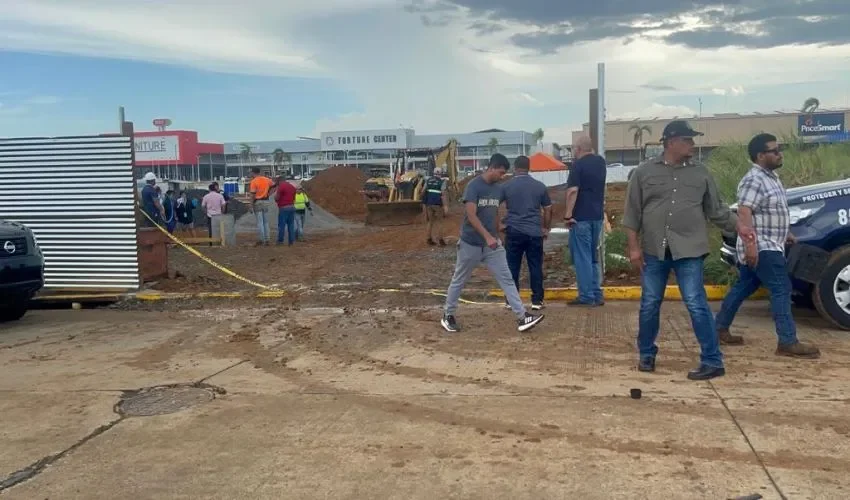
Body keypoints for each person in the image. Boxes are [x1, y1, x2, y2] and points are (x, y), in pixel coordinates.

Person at [623, 120, 755, 381]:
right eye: (687, 140)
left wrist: (739, 226)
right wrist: (634, 248)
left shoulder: (701, 174)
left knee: (696, 303)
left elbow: (716, 210)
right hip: (653, 250)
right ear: (671, 142)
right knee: (649, 304)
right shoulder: (643, 173)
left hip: (689, 251)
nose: (692, 144)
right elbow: (632, 214)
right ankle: (646, 354)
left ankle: (712, 360)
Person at [714, 133, 820, 358]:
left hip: (770, 243)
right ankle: (787, 341)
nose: (779, 153)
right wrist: (751, 245)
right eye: (775, 150)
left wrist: (786, 233)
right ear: (760, 155)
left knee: (744, 287)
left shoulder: (772, 177)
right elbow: (744, 213)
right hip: (763, 247)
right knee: (781, 289)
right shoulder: (754, 179)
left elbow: (771, 211)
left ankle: (718, 329)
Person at [441, 153, 544, 334]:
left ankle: (522, 317)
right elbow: (471, 215)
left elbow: (494, 211)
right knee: (459, 280)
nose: (502, 176)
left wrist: (497, 232)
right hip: (470, 243)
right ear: (492, 168)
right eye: (501, 172)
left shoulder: (498, 188)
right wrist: (487, 236)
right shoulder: (474, 186)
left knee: (507, 279)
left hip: (492, 246)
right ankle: (447, 315)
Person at [501, 155, 552, 310]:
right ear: (529, 167)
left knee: (512, 267)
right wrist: (545, 228)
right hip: (534, 233)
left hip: (514, 232)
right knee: (535, 266)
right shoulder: (540, 186)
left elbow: (496, 206)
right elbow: (548, 209)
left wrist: (500, 224)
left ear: (515, 167)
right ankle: (537, 301)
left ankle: (511, 300)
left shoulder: (506, 186)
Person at [564, 136, 607, 307]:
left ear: (579, 149)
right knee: (593, 257)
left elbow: (572, 191)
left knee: (582, 258)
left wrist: (568, 215)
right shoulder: (600, 163)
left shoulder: (578, 166)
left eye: (574, 148)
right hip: (597, 217)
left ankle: (586, 296)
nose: (574, 151)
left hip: (580, 218)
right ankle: (596, 293)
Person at [422, 168, 449, 246]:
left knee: (430, 222)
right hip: (437, 204)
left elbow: (423, 191)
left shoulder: (428, 180)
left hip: (429, 204)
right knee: (440, 222)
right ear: (441, 173)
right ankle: (440, 241)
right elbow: (443, 194)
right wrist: (445, 206)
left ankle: (429, 239)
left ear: (433, 173)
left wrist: (424, 202)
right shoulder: (442, 182)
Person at [248, 167, 274, 246]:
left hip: (258, 202)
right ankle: (267, 239)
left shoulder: (253, 181)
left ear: (253, 172)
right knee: (266, 222)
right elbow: (274, 185)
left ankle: (262, 239)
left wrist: (251, 205)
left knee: (260, 222)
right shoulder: (267, 179)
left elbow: (252, 195)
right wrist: (269, 193)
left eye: (251, 172)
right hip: (266, 201)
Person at [275, 177, 298, 246]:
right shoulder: (292, 187)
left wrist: (275, 198)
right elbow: (294, 198)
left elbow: (277, 198)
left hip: (284, 208)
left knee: (282, 225)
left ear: (279, 181)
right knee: (291, 225)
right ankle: (291, 241)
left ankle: (280, 241)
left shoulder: (281, 186)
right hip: (292, 207)